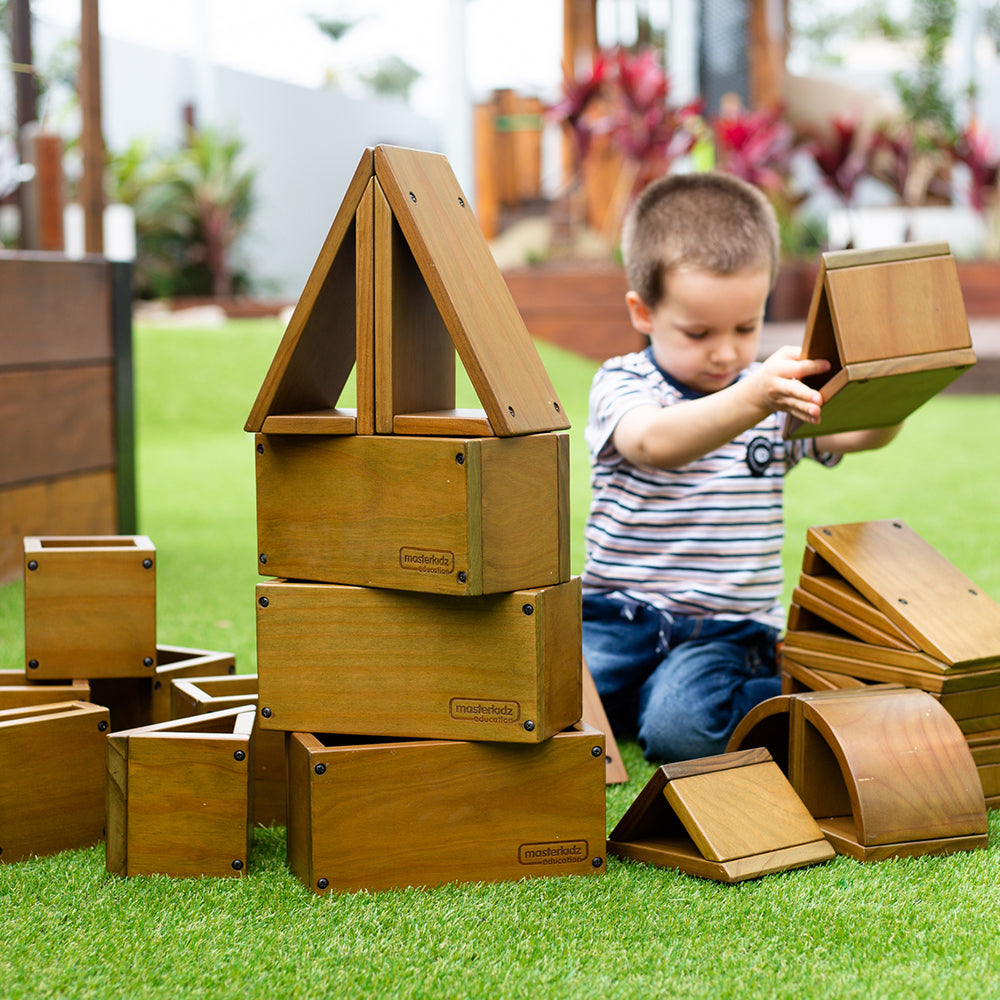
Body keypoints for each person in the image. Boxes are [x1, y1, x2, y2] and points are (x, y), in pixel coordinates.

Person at [582, 171, 901, 764]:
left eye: (746, 327)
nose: (727, 352)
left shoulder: (769, 395)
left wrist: (895, 387)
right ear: (643, 311)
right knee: (526, 700)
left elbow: (862, 432)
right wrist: (753, 396)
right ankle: (641, 697)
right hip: (616, 622)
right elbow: (653, 442)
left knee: (682, 731)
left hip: (724, 633)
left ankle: (811, 692)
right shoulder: (624, 382)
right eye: (698, 332)